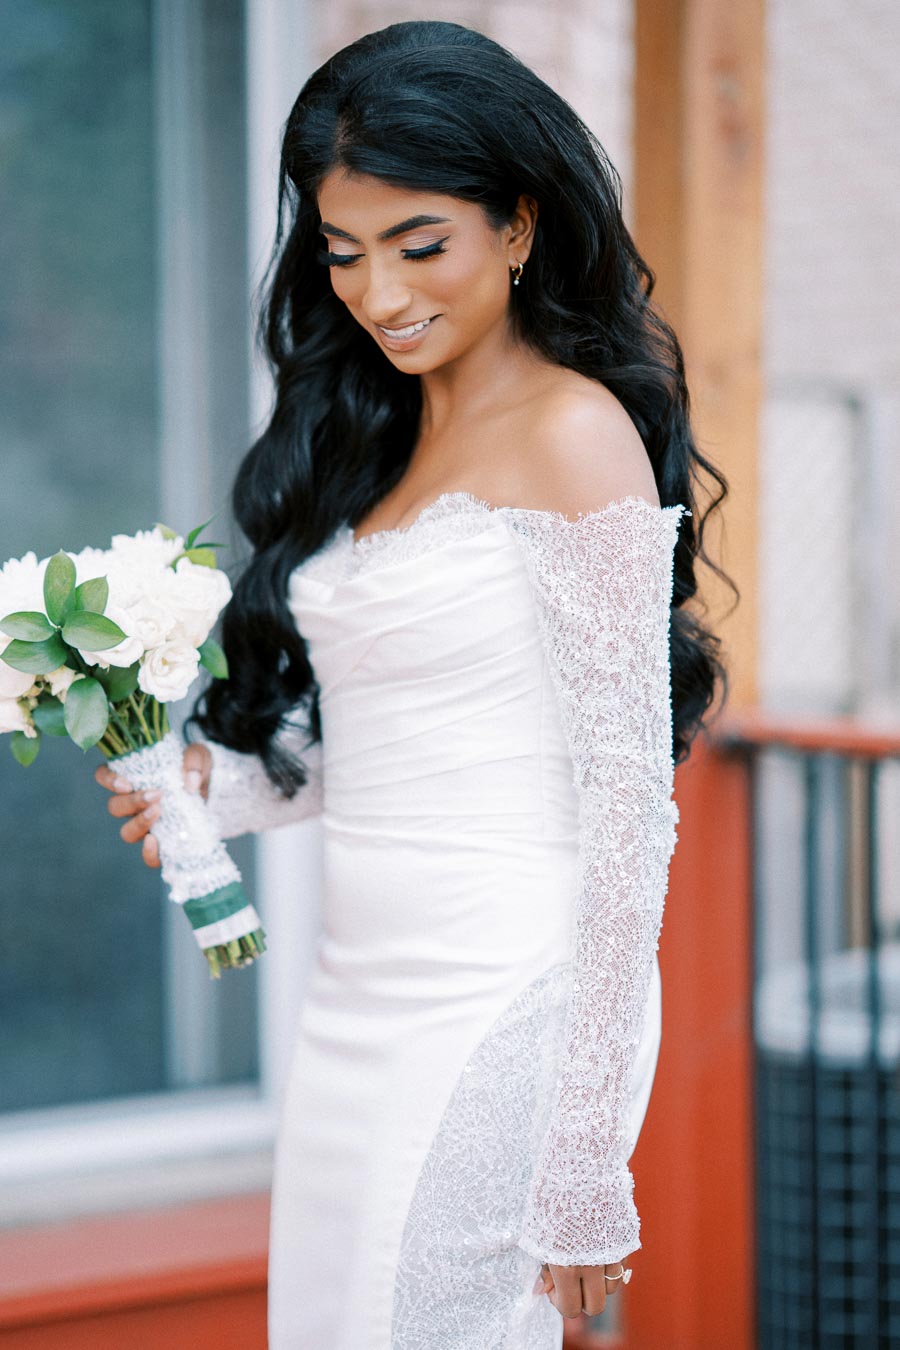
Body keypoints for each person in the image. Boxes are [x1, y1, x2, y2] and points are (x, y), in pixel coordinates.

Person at [95, 19, 730, 1348]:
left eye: (416, 244)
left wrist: (585, 1159)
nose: (378, 295)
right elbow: (389, 743)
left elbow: (631, 811)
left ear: (518, 224)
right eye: (342, 255)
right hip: (350, 1013)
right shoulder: (379, 438)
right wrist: (216, 788)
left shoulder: (573, 432)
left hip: (499, 1000)